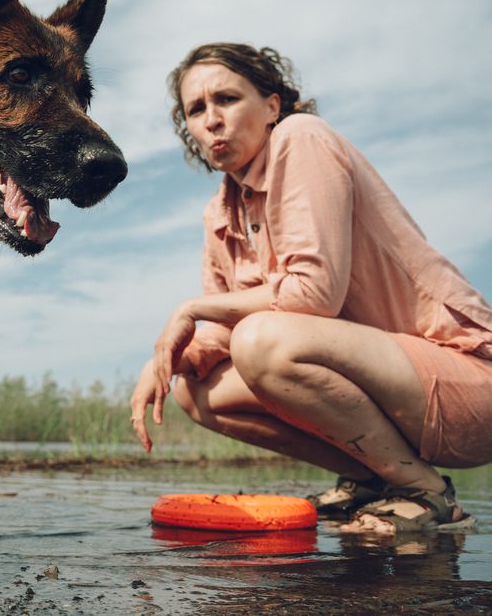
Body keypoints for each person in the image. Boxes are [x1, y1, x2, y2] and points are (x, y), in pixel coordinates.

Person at [130, 42, 492, 534]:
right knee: (197, 392)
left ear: (273, 105)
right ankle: (370, 477)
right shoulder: (221, 213)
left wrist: (191, 308)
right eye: (196, 109)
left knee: (261, 340)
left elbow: (313, 293)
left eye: (228, 99)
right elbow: (216, 337)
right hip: (390, 394)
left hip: (464, 383)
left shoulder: (301, 138)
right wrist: (165, 363)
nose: (211, 119)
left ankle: (425, 493)